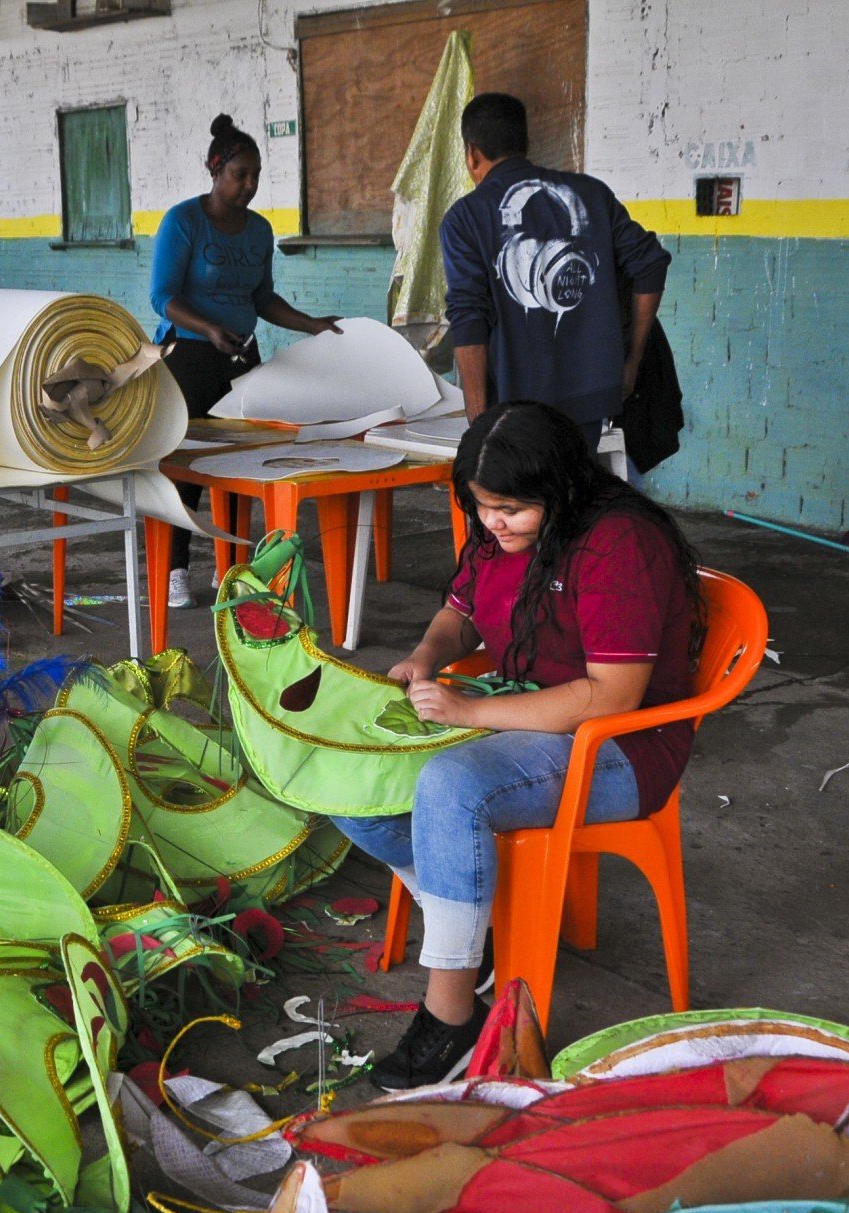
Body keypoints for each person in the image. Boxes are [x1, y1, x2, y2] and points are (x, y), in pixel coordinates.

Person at [326, 401, 704, 1089]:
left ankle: (452, 1017)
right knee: (346, 778)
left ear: (560, 488)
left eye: (509, 508)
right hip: (523, 712)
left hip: (620, 746)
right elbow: (460, 615)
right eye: (481, 508)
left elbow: (612, 696)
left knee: (452, 785)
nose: (493, 523)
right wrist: (424, 656)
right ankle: (477, 925)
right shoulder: (498, 534)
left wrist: (469, 708)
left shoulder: (619, 543)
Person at [151, 113, 342, 608]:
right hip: (189, 355)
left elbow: (263, 299)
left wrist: (312, 324)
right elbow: (163, 298)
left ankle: (229, 565)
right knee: (186, 464)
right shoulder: (184, 222)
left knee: (238, 464)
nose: (250, 185)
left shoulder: (259, 231)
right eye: (240, 175)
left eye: (256, 175)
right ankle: (175, 568)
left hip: (239, 355)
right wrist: (208, 328)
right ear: (216, 172)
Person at [441, 93, 672, 452]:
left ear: (472, 154)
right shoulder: (592, 195)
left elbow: (468, 314)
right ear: (525, 143)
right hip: (591, 397)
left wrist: (477, 414)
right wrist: (631, 363)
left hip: (514, 408)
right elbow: (651, 264)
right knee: (573, 500)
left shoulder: (465, 217)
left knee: (522, 504)